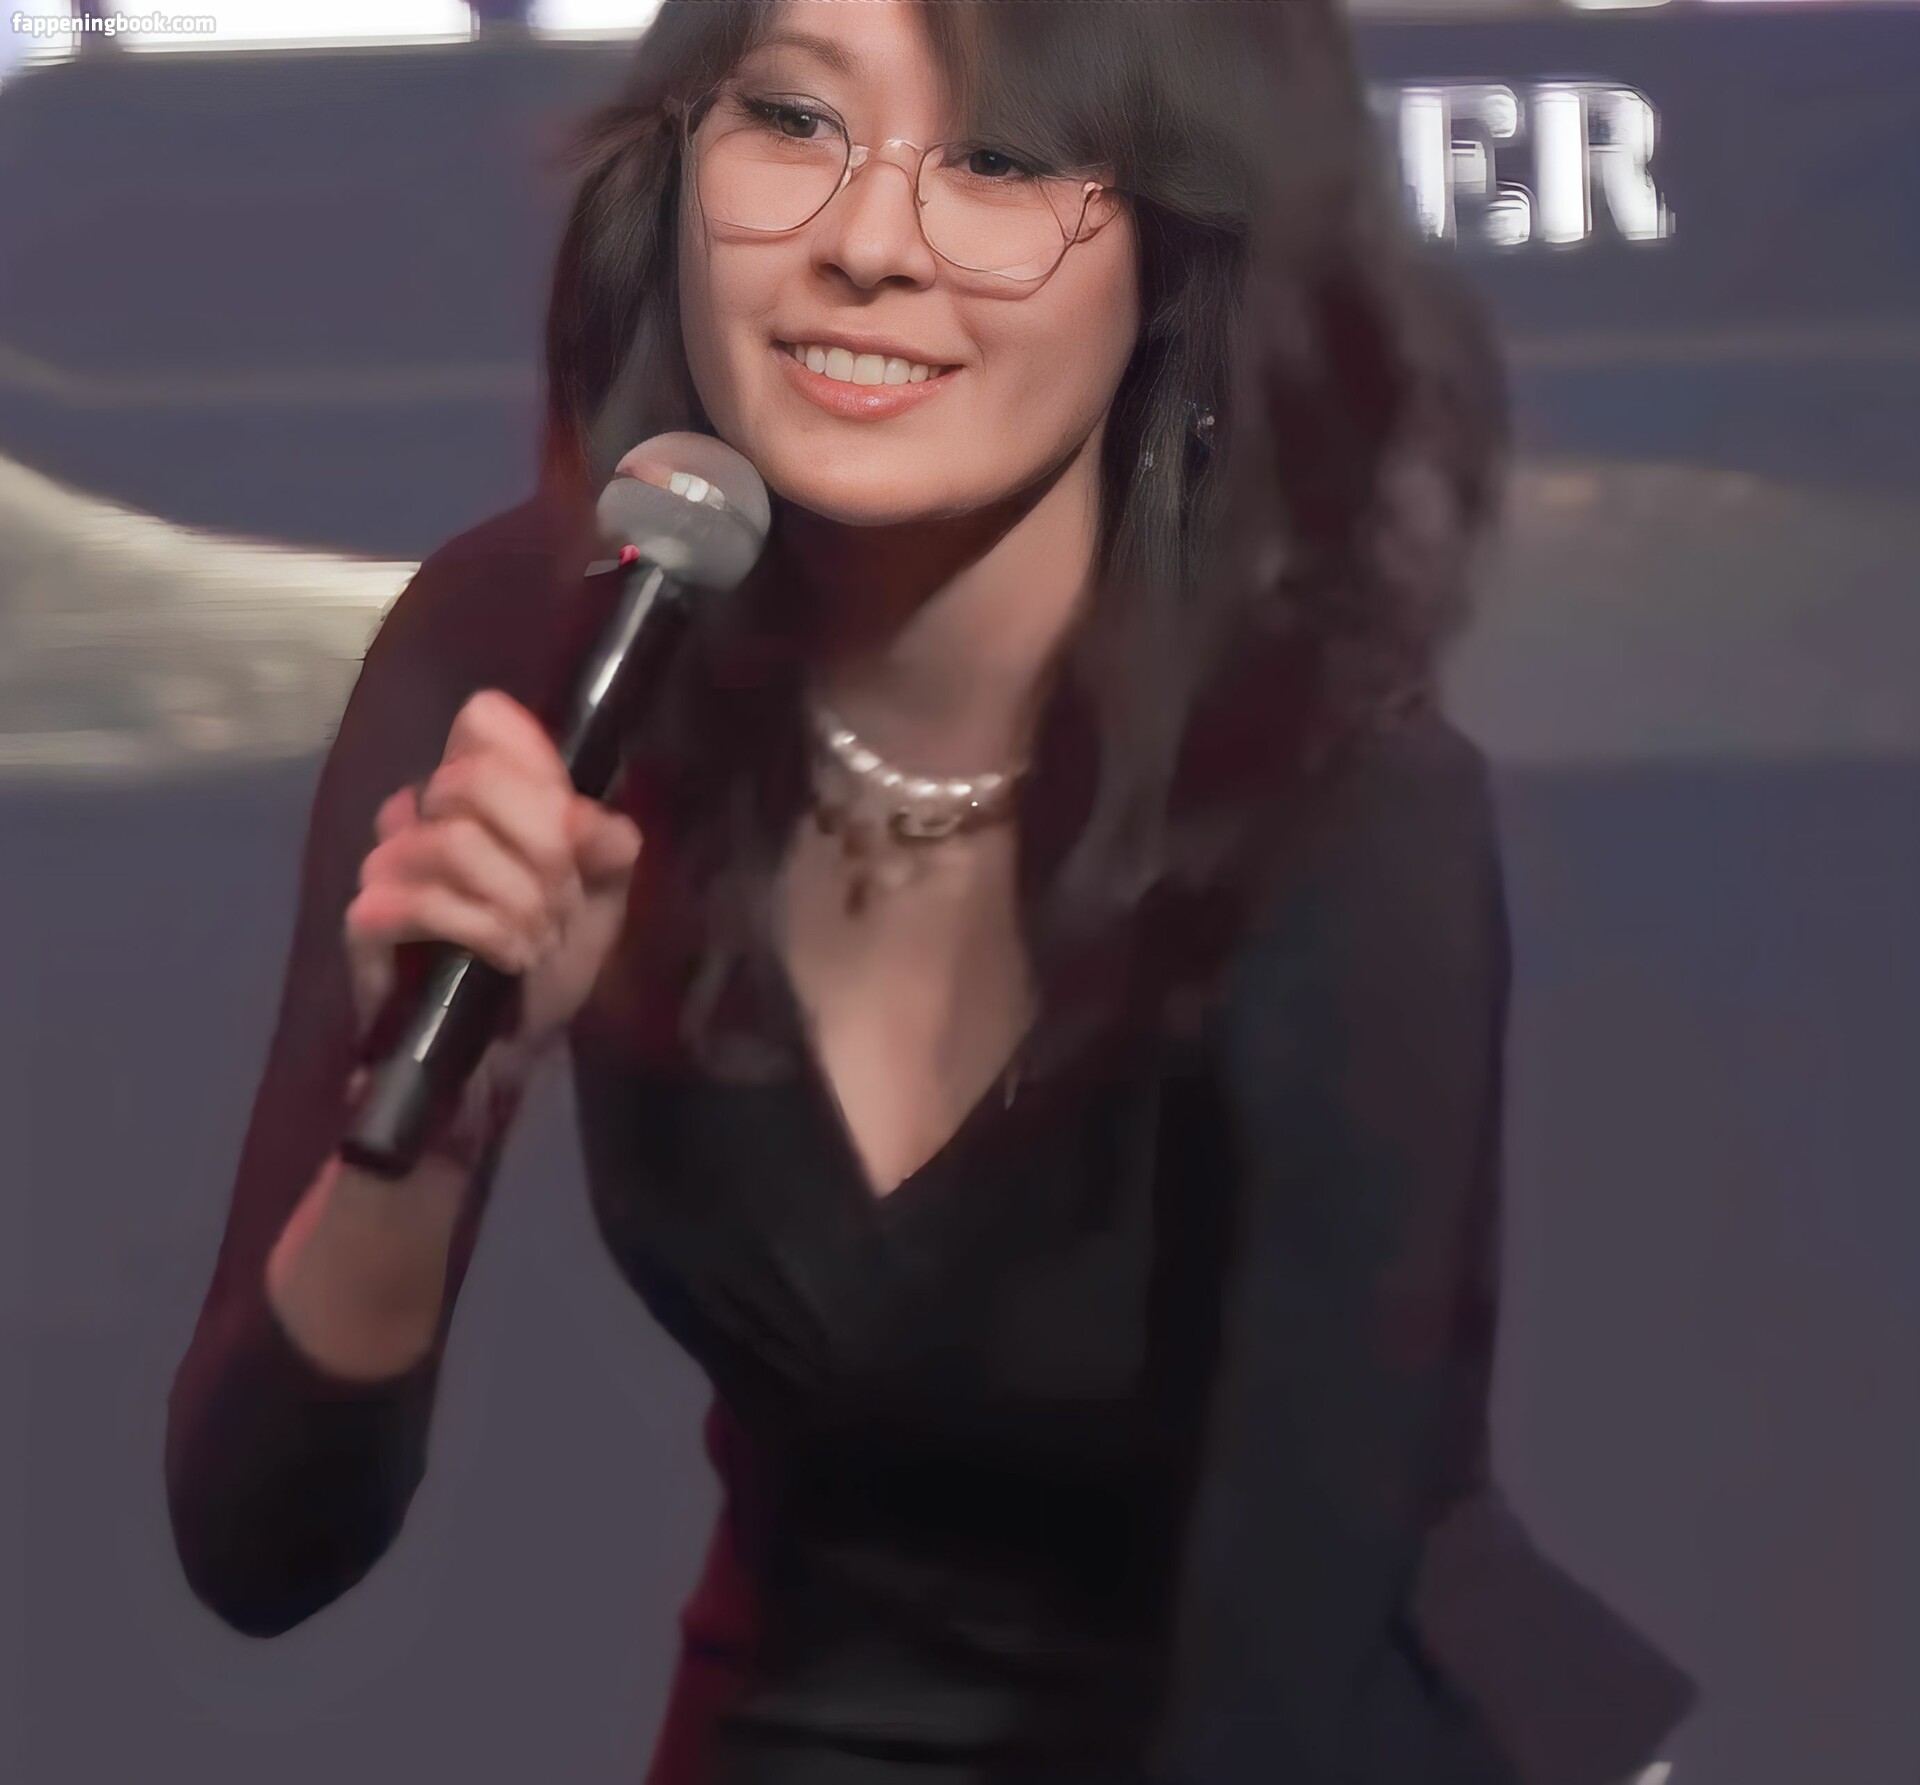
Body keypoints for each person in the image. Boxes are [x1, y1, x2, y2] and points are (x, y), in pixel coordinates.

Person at [164, 2, 1697, 1780]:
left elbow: (1290, 1644)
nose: (868, 242)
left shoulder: (1341, 803)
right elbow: (257, 1544)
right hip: (809, 1715)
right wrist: (429, 1132)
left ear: (1178, 253)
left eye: (1001, 158)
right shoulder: (539, 646)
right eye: (794, 122)